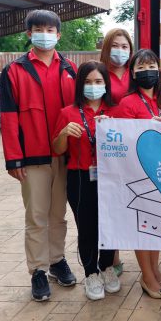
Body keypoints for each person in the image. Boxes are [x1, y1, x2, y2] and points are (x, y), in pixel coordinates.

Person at [0, 10, 77, 301]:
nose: (44, 34)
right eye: (38, 29)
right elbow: (8, 117)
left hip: (64, 155)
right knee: (36, 216)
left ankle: (57, 260)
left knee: (58, 214)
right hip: (32, 158)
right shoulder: (14, 70)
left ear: (58, 34)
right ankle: (38, 271)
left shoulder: (70, 69)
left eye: (50, 30)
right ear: (29, 34)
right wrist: (13, 159)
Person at [52, 61, 121, 300]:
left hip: (111, 177)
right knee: (87, 227)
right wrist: (64, 133)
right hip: (80, 178)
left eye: (98, 81)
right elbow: (58, 149)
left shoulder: (116, 111)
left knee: (110, 225)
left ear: (106, 83)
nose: (93, 86)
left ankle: (107, 267)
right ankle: (91, 273)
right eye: (88, 82)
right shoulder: (68, 113)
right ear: (80, 85)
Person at [115, 49, 161, 299]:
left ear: (158, 71)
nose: (146, 71)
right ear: (132, 73)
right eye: (140, 67)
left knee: (158, 225)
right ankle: (146, 277)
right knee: (143, 226)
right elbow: (125, 139)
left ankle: (155, 269)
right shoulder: (127, 103)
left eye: (151, 66)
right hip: (139, 173)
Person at [99, 27, 134, 276]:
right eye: (115, 45)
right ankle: (112, 258)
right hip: (106, 144)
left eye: (124, 46)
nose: (120, 51)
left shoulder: (136, 73)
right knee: (109, 201)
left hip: (132, 144)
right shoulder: (98, 73)